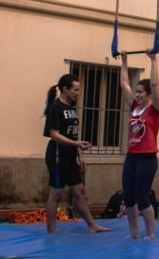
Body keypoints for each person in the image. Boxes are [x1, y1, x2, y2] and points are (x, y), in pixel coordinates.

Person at [42, 73, 110, 234]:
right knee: (56, 193)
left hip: (71, 154)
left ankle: (92, 225)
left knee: (79, 191)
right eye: (75, 90)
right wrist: (76, 144)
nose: (78, 93)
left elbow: (73, 133)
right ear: (65, 89)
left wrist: (79, 154)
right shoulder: (56, 107)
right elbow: (54, 134)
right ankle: (51, 230)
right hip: (58, 154)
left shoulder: (70, 108)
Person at [118, 51, 159, 240]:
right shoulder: (134, 107)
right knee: (128, 197)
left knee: (142, 197)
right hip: (132, 156)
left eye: (140, 92)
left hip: (147, 157)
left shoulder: (154, 109)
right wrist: (124, 60)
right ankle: (133, 233)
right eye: (136, 92)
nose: (136, 95)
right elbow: (123, 84)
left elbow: (154, 84)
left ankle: (150, 233)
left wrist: (153, 60)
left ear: (148, 95)